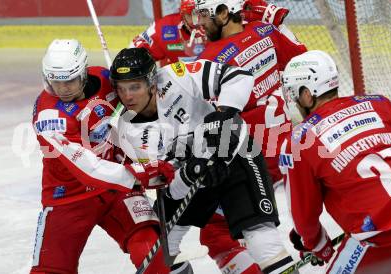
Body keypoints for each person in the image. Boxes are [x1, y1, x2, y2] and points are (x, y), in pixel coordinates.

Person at [109, 47, 297, 274]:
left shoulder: (176, 76)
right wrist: (190, 173)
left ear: (151, 82)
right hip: (189, 178)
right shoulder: (127, 131)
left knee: (260, 239)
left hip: (234, 154)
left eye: (134, 87)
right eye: (121, 88)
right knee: (159, 251)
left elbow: (238, 76)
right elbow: (169, 189)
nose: (127, 96)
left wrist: (223, 112)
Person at [30, 39, 175, 274]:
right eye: (56, 82)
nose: (63, 89)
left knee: (151, 248)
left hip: (115, 189)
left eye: (70, 81)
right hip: (69, 197)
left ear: (84, 73)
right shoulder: (50, 118)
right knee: (51, 270)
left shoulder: (104, 79)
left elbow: (138, 101)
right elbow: (89, 170)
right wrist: (137, 173)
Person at [192, 0, 307, 272]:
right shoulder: (265, 32)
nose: (199, 23)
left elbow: (204, 120)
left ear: (224, 13)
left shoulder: (210, 59)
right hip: (288, 147)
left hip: (251, 159)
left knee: (214, 233)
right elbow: (303, 59)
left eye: (205, 15)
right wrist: (276, 22)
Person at [280, 50, 391, 273]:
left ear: (307, 94)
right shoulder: (380, 103)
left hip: (378, 242)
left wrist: (317, 244)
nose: (294, 102)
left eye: (294, 94)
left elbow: (304, 219)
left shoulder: (299, 139)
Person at [130, 0, 207, 65]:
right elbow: (133, 51)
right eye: (192, 14)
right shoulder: (165, 27)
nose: (198, 20)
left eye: (204, 14)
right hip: (181, 79)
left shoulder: (218, 26)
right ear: (182, 14)